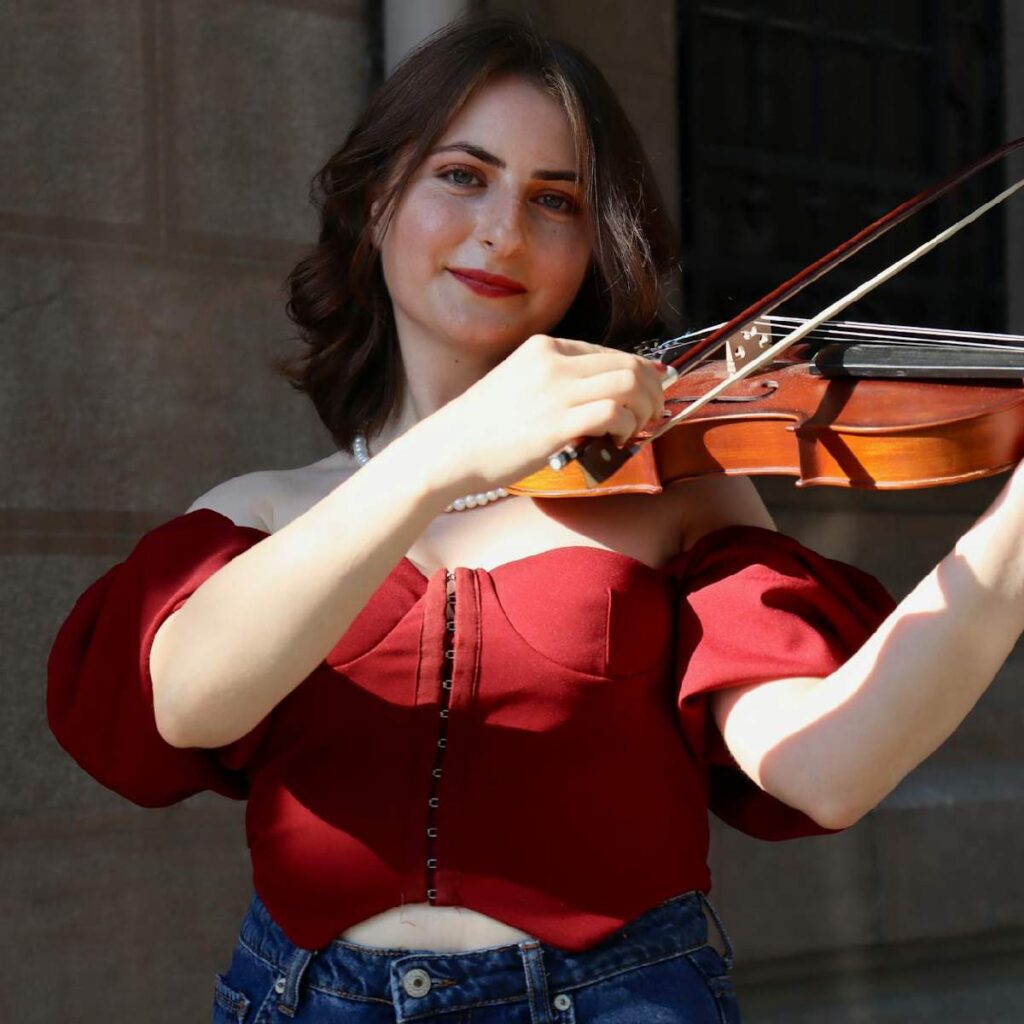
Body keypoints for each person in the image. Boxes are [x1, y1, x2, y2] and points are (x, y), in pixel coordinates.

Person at [45, 14, 1019, 1024]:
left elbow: (825, 768)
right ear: (378, 199)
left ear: (590, 249)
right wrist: (446, 457)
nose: (502, 230)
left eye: (554, 201)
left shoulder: (673, 494)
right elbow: (188, 703)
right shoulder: (261, 512)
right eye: (462, 176)